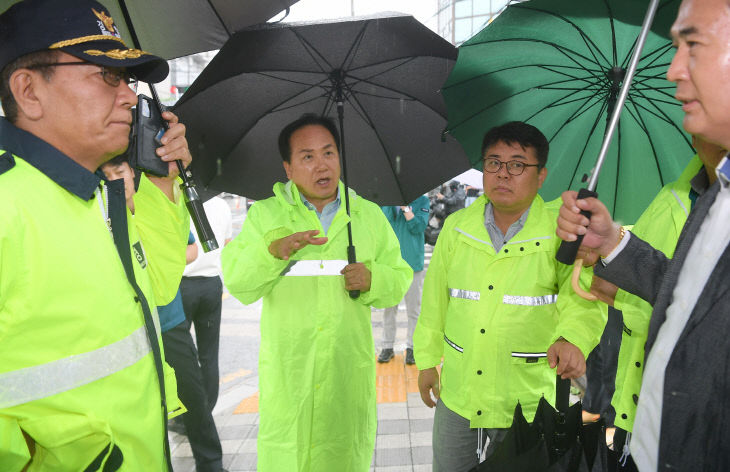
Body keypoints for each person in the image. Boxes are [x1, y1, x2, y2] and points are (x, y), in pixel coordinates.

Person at [0, 0, 193, 469]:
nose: (129, 96)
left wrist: (164, 181)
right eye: (106, 76)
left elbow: (160, 286)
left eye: (126, 80)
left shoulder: (94, 193)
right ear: (28, 90)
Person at [555, 1, 730, 469]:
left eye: (692, 45)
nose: (674, 70)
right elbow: (691, 299)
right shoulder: (715, 192)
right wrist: (612, 245)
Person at [221, 114, 412, 471]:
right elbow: (237, 282)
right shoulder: (265, 216)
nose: (321, 165)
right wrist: (272, 252)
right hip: (290, 377)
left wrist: (374, 279)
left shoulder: (367, 216)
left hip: (346, 374)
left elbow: (399, 277)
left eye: (329, 153)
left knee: (343, 457)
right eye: (307, 157)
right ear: (288, 168)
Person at [414, 121, 605, 471]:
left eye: (517, 164)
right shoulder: (457, 229)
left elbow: (583, 298)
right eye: (494, 163)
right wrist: (426, 359)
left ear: (541, 175)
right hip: (460, 391)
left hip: (527, 397)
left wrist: (573, 339)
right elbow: (435, 302)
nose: (503, 174)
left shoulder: (560, 233)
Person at [580, 137, 726, 471]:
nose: (677, 80)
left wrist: (621, 287)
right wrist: (611, 246)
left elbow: (703, 301)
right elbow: (679, 281)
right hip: (640, 408)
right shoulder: (690, 192)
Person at [101, 156, 226, 472]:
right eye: (109, 174)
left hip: (168, 320)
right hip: (126, 331)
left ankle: (211, 463)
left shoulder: (154, 205)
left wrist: (160, 256)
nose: (118, 180)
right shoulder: (97, 217)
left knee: (192, 394)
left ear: (133, 172)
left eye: (121, 171)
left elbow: (189, 249)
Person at [180, 195, 233, 412]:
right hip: (212, 284)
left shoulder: (179, 201)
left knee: (183, 354)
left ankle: (188, 412)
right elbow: (229, 245)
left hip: (182, 286)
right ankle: (207, 409)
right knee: (209, 353)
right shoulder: (222, 205)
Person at [377, 195, 430, 365]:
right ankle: (387, 346)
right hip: (390, 264)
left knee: (413, 310)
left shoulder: (421, 201)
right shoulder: (386, 203)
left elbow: (419, 227)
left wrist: (405, 208)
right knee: (388, 308)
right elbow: (381, 227)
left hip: (412, 262)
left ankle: (412, 347)